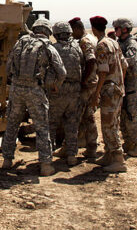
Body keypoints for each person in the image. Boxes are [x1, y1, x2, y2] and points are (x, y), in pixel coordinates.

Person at [1, 18, 66, 176]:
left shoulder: (20, 43)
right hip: (35, 91)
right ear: (47, 32)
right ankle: (45, 165)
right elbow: (62, 72)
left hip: (16, 90)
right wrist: (55, 85)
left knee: (12, 125)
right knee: (42, 128)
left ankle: (7, 161)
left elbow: (7, 68)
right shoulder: (47, 46)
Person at [88, 16, 127, 172]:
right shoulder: (114, 43)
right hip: (117, 88)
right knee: (112, 123)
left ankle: (118, 159)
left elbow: (102, 72)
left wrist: (96, 93)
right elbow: (124, 65)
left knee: (108, 125)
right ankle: (109, 155)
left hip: (109, 90)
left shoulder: (102, 45)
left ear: (93, 28)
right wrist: (119, 83)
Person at [48, 21, 84, 167]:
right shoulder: (77, 48)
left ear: (55, 34)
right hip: (75, 91)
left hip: (58, 90)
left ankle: (47, 157)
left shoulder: (53, 49)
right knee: (72, 125)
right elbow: (83, 65)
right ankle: (72, 156)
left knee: (51, 124)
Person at [113, 18, 137, 157]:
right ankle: (128, 142)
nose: (115, 31)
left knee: (132, 116)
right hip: (123, 82)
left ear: (124, 29)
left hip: (131, 83)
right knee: (124, 115)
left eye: (117, 29)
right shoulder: (121, 42)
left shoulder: (132, 43)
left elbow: (130, 60)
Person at [68, 17, 99, 158]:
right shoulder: (92, 38)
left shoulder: (85, 41)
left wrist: (84, 79)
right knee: (89, 116)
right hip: (93, 83)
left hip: (87, 84)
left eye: (72, 31)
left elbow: (91, 60)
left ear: (77, 28)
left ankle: (70, 149)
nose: (71, 35)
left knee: (74, 116)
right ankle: (91, 146)